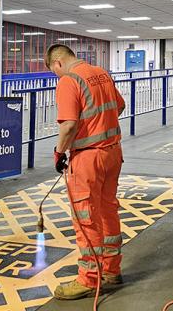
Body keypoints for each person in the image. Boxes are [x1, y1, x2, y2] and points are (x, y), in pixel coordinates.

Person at [45, 44, 126, 300]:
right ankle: (112, 271)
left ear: (57, 63)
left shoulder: (69, 80)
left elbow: (69, 125)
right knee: (107, 211)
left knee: (86, 217)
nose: (56, 76)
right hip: (113, 153)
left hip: (88, 159)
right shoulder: (100, 72)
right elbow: (119, 106)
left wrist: (59, 153)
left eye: (53, 72)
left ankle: (90, 279)